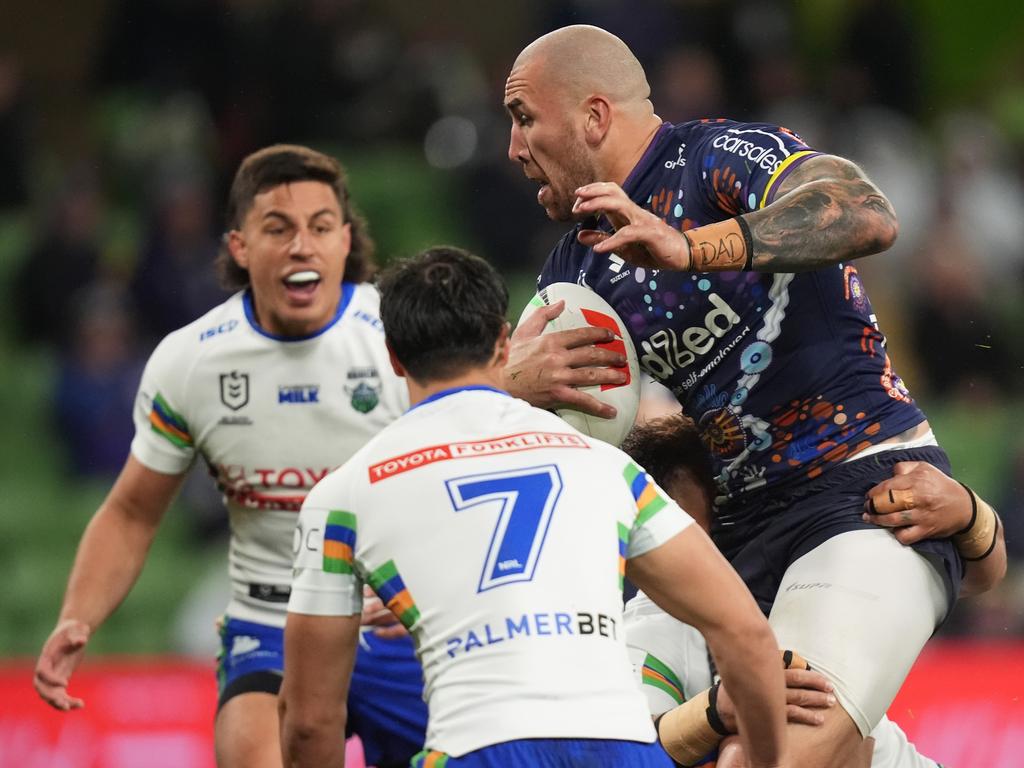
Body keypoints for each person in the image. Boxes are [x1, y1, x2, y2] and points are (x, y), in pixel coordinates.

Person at [500, 24, 1004, 767]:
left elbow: (865, 211)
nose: (512, 148)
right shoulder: (574, 274)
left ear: (594, 116)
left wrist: (693, 246)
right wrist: (513, 386)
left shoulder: (717, 158)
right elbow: (530, 452)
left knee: (766, 758)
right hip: (731, 539)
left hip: (864, 497)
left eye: (522, 118)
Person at [279, 246, 788, 768]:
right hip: (621, 749)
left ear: (392, 355)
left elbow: (310, 721)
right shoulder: (606, 467)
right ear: (503, 342)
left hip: (477, 748)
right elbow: (743, 633)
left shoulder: (343, 495)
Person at [33, 145, 428, 768]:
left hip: (401, 627)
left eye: (320, 228)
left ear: (345, 242)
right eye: (278, 228)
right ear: (240, 246)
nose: (302, 245)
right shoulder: (191, 360)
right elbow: (133, 512)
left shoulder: (404, 337)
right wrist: (76, 617)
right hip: (271, 625)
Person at [619, 413, 1006, 767]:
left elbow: (971, 577)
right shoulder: (651, 628)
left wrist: (970, 515)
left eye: (720, 522)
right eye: (677, 528)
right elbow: (619, 753)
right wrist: (713, 713)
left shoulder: (798, 555)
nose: (701, 543)